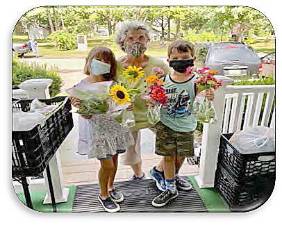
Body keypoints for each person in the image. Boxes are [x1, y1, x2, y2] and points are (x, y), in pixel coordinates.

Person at [150, 40, 214, 207]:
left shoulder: (197, 81)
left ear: (193, 57)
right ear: (169, 59)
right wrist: (151, 99)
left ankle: (169, 176)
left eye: (185, 56)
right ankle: (170, 188)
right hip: (165, 125)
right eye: (175, 57)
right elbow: (154, 98)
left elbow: (206, 93)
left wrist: (209, 93)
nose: (180, 60)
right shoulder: (163, 80)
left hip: (187, 126)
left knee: (181, 157)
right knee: (169, 157)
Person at [70, 47, 134, 212]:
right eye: (98, 59)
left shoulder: (114, 84)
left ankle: (111, 187)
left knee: (114, 161)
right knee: (107, 166)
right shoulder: (81, 87)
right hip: (99, 133)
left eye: (107, 61)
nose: (102, 63)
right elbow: (85, 116)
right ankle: (103, 194)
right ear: (89, 61)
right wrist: (81, 107)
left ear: (111, 65)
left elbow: (122, 104)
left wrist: (127, 104)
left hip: (116, 129)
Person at [115, 21, 170, 180]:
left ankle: (160, 170)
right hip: (128, 115)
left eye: (141, 37)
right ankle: (138, 175)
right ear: (122, 42)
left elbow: (172, 86)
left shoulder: (158, 64)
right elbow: (105, 87)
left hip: (154, 114)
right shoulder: (116, 65)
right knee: (131, 150)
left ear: (147, 41)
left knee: (172, 142)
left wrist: (159, 97)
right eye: (130, 38)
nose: (136, 41)